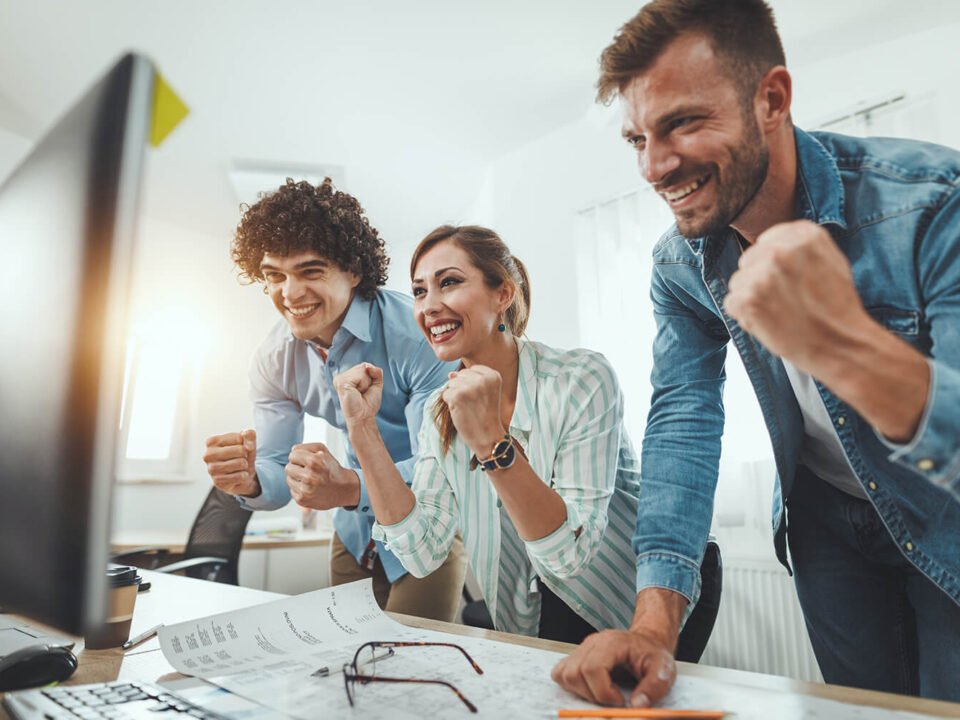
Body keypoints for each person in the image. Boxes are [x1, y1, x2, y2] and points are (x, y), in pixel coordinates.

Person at [553, 0, 960, 706]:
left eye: (683, 122)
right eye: (637, 138)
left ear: (771, 98)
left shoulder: (931, 204)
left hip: (945, 510)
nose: (655, 165)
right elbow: (684, 418)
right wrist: (653, 625)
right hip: (825, 520)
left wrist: (838, 342)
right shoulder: (681, 264)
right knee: (864, 710)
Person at [334, 225, 690, 643]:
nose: (429, 306)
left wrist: (490, 443)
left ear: (503, 294)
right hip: (533, 609)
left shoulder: (580, 379)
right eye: (418, 291)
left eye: (448, 282)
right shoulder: (439, 411)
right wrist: (363, 431)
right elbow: (420, 552)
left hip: (634, 601)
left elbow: (568, 556)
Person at [202, 179, 466, 621]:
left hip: (425, 529)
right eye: (274, 276)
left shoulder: (420, 335)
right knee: (348, 665)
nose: (290, 294)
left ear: (354, 270)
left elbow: (436, 470)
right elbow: (274, 467)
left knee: (417, 668)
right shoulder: (273, 360)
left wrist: (345, 485)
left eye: (310, 271)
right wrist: (249, 479)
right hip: (353, 530)